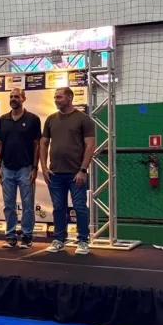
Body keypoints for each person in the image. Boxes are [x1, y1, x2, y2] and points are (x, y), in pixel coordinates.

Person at [40, 87, 96, 255]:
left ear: (70, 98)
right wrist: (43, 167)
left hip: (76, 173)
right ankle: (59, 240)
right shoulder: (50, 119)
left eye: (59, 97)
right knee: (58, 207)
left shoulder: (84, 119)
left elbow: (90, 145)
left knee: (79, 207)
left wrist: (83, 170)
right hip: (55, 174)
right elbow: (43, 143)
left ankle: (83, 241)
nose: (56, 100)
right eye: (55, 97)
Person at [0, 88, 42, 249]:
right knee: (8, 205)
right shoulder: (2, 120)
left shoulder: (33, 119)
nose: (13, 99)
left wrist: (35, 168)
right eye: (11, 97)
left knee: (28, 204)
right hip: (7, 168)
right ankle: (10, 236)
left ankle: (27, 235)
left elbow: (37, 145)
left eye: (16, 96)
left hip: (26, 168)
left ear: (23, 98)